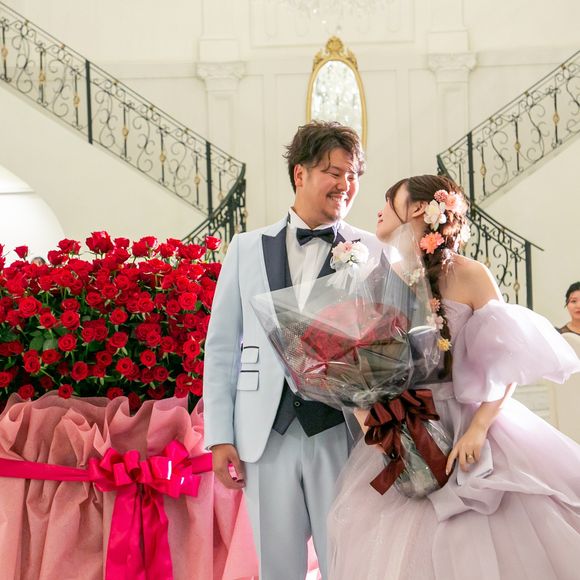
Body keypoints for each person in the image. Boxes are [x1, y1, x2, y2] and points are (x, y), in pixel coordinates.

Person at [328, 174, 580, 580]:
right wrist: (371, 419)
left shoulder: (471, 274)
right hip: (407, 430)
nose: (380, 208)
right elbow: (360, 367)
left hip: (471, 423)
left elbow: (506, 359)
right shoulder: (376, 278)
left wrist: (478, 428)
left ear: (417, 209)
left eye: (390, 199)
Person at [203, 121, 382, 579]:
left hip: (341, 432)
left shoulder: (371, 250)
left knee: (348, 563)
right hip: (266, 433)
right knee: (277, 567)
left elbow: (385, 343)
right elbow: (222, 347)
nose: (345, 185)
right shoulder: (245, 249)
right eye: (333, 172)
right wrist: (220, 435)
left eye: (353, 175)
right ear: (300, 174)